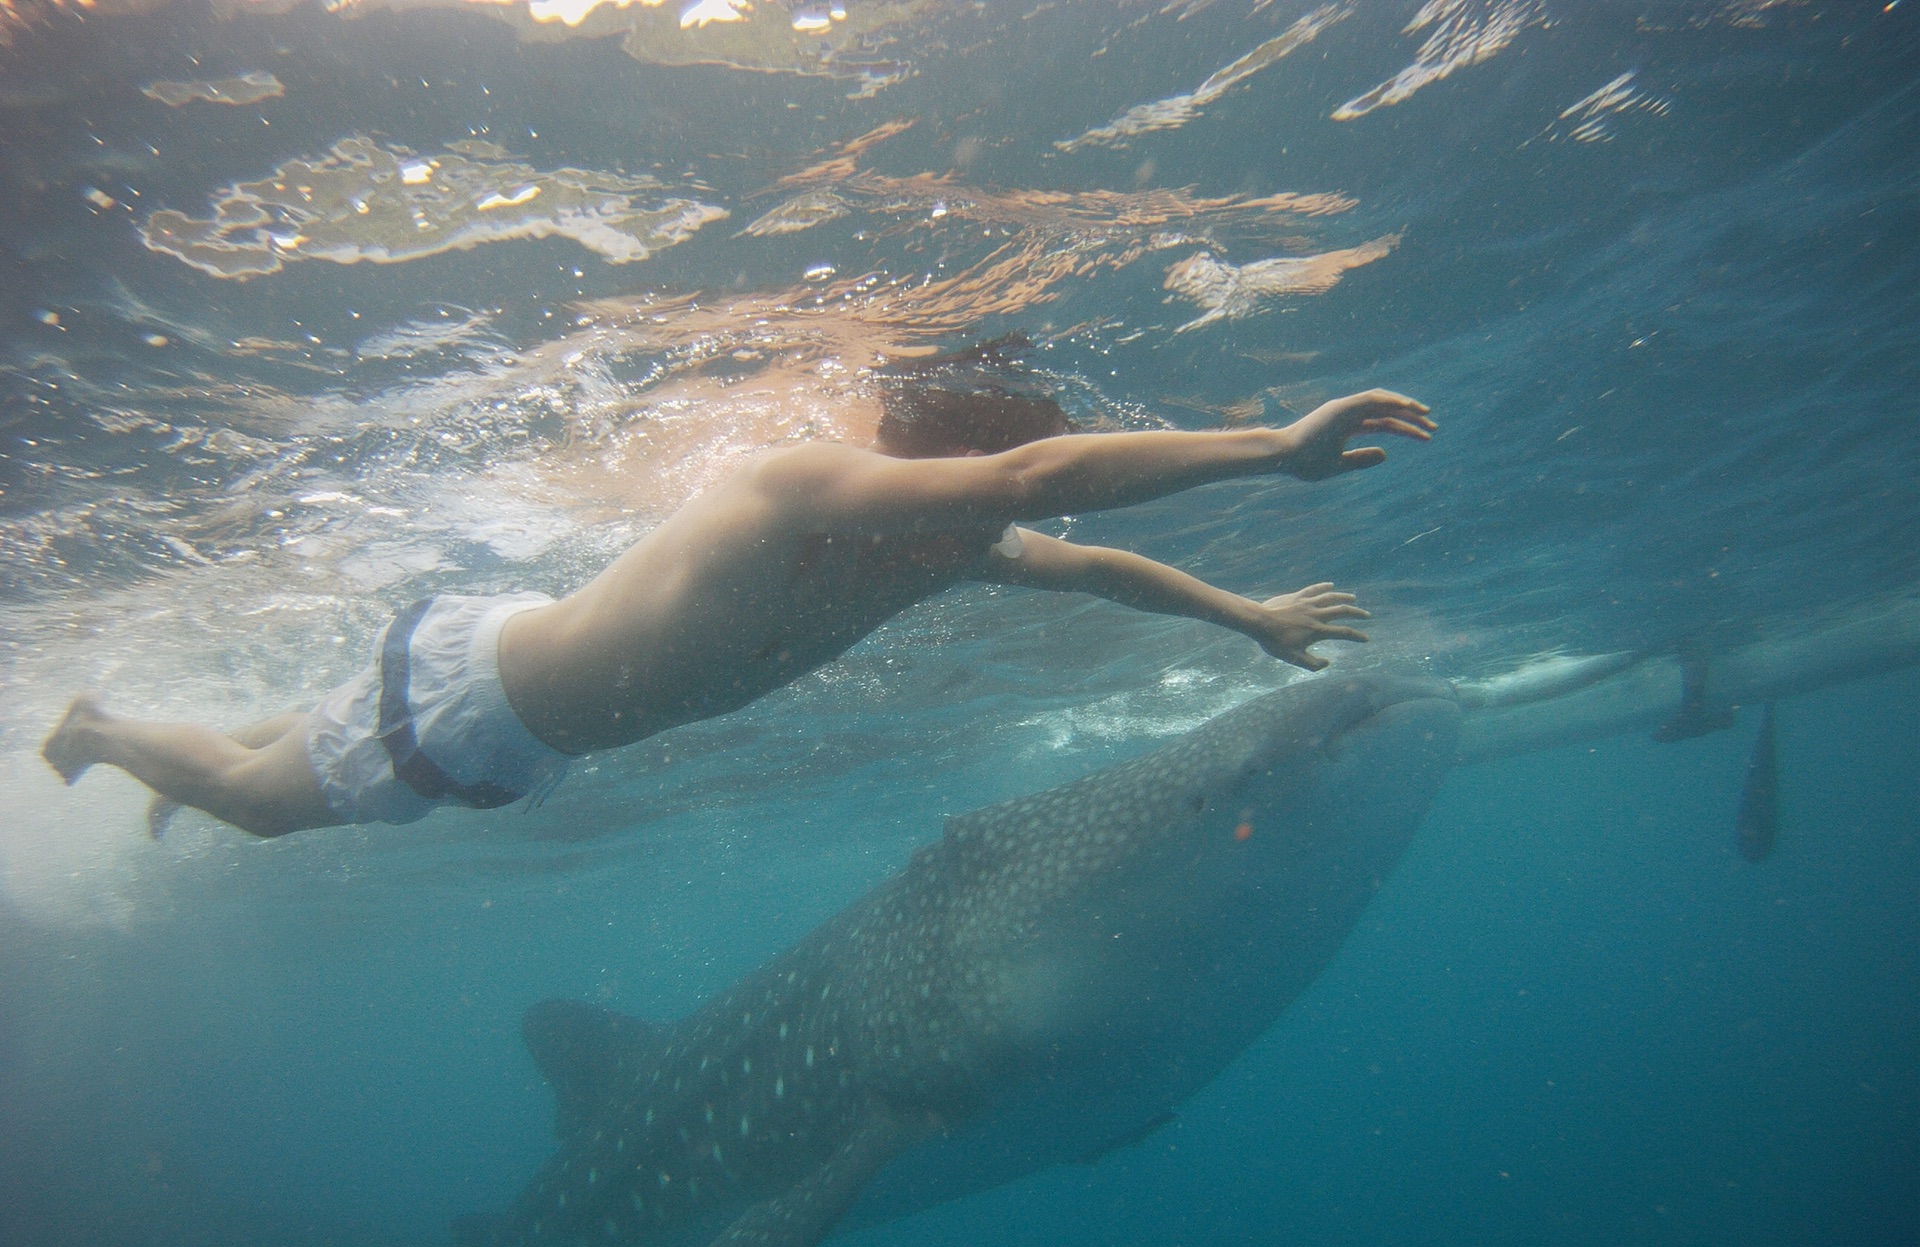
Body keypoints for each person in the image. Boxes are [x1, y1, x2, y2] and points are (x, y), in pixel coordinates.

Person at [41, 384, 1434, 838]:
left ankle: (227, 733)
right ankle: (105, 732)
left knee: (319, 736)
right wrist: (1272, 447)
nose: (998, 524)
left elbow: (1092, 562)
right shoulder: (798, 489)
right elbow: (1034, 475)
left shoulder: (943, 550)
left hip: (526, 698)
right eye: (965, 495)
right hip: (488, 704)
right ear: (920, 473)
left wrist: (1247, 615)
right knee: (262, 802)